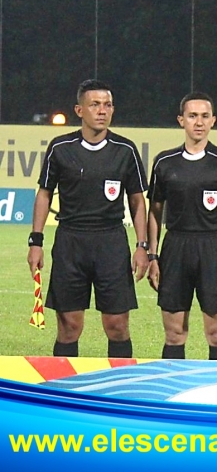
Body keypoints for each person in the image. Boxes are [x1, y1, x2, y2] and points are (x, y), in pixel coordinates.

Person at [27, 79, 149, 358]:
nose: (102, 111)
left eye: (107, 105)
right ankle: (64, 395)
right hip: (71, 241)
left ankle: (119, 392)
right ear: (79, 110)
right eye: (94, 105)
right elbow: (44, 193)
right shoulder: (61, 147)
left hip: (111, 242)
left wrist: (142, 246)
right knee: (69, 326)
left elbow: (137, 200)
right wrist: (36, 241)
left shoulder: (125, 150)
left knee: (117, 325)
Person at [146, 92, 217, 360]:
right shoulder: (164, 162)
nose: (199, 122)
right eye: (192, 116)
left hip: (214, 248)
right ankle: (172, 397)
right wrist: (153, 256)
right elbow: (154, 211)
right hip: (175, 248)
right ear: (181, 120)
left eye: (205, 116)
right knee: (174, 334)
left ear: (213, 121)